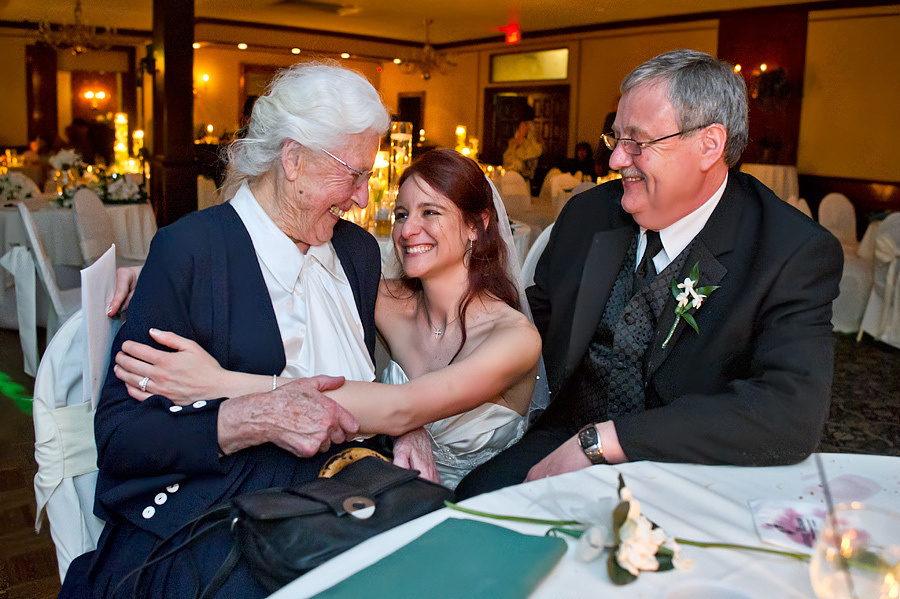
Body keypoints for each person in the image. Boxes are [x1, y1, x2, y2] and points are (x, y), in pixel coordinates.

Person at [60, 62, 395, 599]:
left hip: (343, 497)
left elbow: (372, 385)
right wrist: (244, 418)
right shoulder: (190, 251)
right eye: (353, 175)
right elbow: (122, 438)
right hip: (224, 509)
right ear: (293, 159)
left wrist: (406, 425)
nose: (362, 198)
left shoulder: (356, 252)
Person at [456, 49, 843, 500]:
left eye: (638, 143)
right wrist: (428, 408)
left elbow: (789, 413)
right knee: (470, 504)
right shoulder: (588, 215)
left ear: (709, 145)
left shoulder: (789, 250)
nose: (616, 160)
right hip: (563, 436)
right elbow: (523, 327)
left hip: (692, 471)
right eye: (616, 138)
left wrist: (605, 441)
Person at [110, 149, 544, 490]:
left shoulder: (514, 338)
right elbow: (289, 269)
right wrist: (163, 270)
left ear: (476, 226)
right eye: (401, 214)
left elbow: (402, 407)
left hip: (477, 506)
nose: (407, 230)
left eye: (430, 212)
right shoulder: (387, 300)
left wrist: (221, 383)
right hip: (390, 495)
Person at [503, 119, 543, 183]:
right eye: (519, 129)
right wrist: (512, 146)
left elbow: (527, 170)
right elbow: (506, 160)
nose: (520, 132)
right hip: (508, 178)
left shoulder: (534, 148)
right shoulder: (513, 145)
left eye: (523, 129)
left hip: (523, 181)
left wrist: (522, 144)